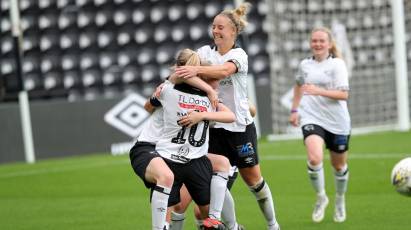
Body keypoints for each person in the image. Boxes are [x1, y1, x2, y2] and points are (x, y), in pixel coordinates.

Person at [175, 3, 280, 230]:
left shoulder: (238, 54)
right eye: (213, 26)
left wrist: (197, 71)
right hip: (213, 129)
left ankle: (273, 225)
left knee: (254, 181)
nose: (215, 31)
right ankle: (231, 226)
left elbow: (223, 71)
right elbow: (181, 72)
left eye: (220, 27)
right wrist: (195, 78)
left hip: (239, 127)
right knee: (203, 201)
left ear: (233, 31)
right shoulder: (203, 53)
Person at [129, 50, 224, 230]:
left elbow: (149, 105)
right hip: (152, 146)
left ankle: (225, 223)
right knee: (166, 180)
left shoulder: (192, 93)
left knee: (221, 165)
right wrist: (209, 89)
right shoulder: (170, 86)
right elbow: (149, 104)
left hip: (174, 149)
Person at [156, 49, 236, 230]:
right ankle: (225, 223)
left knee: (174, 209)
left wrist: (201, 114)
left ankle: (223, 223)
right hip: (192, 159)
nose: (218, 85)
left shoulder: (168, 90)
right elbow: (231, 116)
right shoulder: (207, 100)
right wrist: (204, 112)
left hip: (169, 156)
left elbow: (173, 78)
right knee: (222, 166)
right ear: (202, 77)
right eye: (215, 80)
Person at [288, 27, 351, 223]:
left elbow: (344, 94)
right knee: (315, 159)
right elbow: (299, 84)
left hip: (337, 121)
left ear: (329, 44)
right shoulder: (304, 64)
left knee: (339, 166)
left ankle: (340, 199)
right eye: (314, 40)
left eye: (321, 41)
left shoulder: (337, 65)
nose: (317, 44)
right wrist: (295, 109)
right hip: (311, 117)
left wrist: (318, 91)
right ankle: (321, 197)